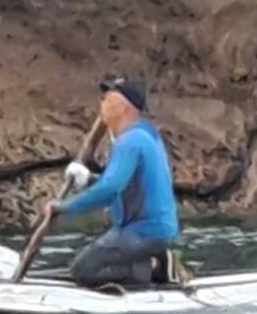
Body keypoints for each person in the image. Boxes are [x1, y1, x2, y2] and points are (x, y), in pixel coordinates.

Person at [47, 77, 180, 289]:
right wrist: (89, 179)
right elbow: (127, 185)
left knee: (83, 270)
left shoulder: (130, 141)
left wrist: (64, 207)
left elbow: (110, 190)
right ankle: (149, 265)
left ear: (123, 107)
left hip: (143, 232)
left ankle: (152, 268)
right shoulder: (146, 134)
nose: (102, 104)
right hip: (156, 231)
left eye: (108, 99)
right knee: (93, 263)